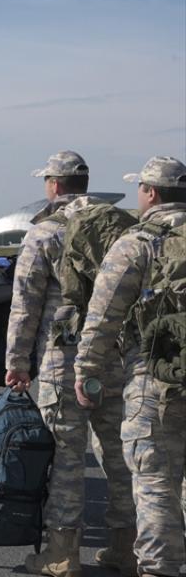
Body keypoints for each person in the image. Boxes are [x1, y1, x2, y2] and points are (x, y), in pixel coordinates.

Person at [3, 151, 135, 573]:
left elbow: (24, 305)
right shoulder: (120, 229)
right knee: (120, 456)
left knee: (66, 459)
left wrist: (17, 361)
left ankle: (62, 553)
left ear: (54, 184)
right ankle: (127, 546)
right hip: (115, 355)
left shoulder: (44, 232)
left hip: (63, 359)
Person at [74, 156, 186, 577]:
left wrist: (86, 369)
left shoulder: (137, 242)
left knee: (155, 481)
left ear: (150, 192)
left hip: (153, 379)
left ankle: (159, 569)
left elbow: (103, 315)